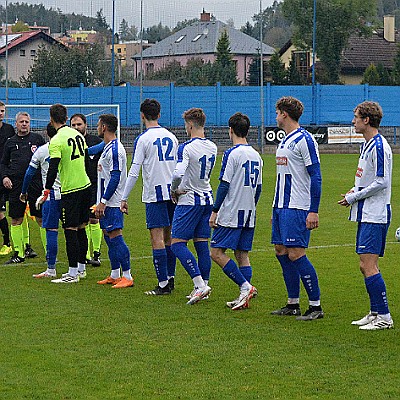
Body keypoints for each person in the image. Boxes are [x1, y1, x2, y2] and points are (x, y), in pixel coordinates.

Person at [338, 101, 394, 330]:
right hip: (367, 212)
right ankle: (374, 312)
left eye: (356, 117)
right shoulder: (367, 145)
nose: (353, 121)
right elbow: (368, 178)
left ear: (366, 120)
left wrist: (354, 196)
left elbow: (382, 182)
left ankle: (385, 317)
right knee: (365, 265)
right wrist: (355, 189)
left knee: (369, 265)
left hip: (376, 213)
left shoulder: (380, 146)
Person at [270, 96, 323, 321]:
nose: (275, 116)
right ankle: (293, 304)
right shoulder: (285, 140)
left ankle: (315, 306)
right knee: (281, 251)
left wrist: (313, 210)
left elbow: (316, 176)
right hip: (281, 207)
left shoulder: (305, 139)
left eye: (277, 112)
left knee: (296, 253)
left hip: (297, 206)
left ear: (284, 113)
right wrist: (275, 208)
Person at [121, 98, 178, 295]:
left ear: (142, 115)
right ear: (159, 115)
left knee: (157, 238)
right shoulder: (172, 136)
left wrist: (124, 197)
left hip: (155, 194)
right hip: (172, 194)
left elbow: (134, 170)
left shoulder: (143, 139)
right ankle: (170, 278)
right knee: (169, 237)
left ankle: (162, 284)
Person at [209, 112, 261, 310]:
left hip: (231, 212)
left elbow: (224, 185)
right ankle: (244, 295)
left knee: (216, 252)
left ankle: (245, 287)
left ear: (230, 130)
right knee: (242, 254)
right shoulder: (256, 155)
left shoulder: (232, 154)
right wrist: (251, 205)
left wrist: (215, 211)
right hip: (249, 213)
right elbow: (259, 188)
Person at [37, 103, 91, 283]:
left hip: (71, 189)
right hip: (85, 185)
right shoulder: (78, 135)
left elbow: (53, 169)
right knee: (82, 227)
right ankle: (82, 269)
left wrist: (46, 190)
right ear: (67, 118)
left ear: (51, 120)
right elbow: (86, 162)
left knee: (70, 230)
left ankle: (72, 273)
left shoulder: (57, 140)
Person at [170, 108, 217, 304]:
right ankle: (203, 285)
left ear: (190, 125)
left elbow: (177, 173)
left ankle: (200, 285)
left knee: (177, 244)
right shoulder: (213, 146)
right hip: (207, 198)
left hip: (189, 200)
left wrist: (174, 190)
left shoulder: (186, 147)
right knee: (201, 244)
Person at [94, 114, 133, 288]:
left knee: (116, 236)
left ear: (104, 127)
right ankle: (115, 273)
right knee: (108, 237)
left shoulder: (116, 149)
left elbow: (115, 177)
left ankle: (127, 275)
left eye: (98, 125)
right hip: (105, 201)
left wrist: (103, 200)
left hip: (113, 201)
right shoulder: (108, 147)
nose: (96, 128)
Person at [1, 111, 45, 264]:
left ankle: (48, 254)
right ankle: (18, 254)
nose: (24, 124)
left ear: (29, 123)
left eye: (26, 121)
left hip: (35, 184)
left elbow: (46, 159)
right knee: (16, 219)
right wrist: (5, 177)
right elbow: (3, 163)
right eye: (21, 122)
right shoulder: (10, 142)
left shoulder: (37, 139)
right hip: (16, 185)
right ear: (16, 124)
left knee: (41, 218)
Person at [20, 123, 61, 278]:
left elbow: (29, 174)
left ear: (46, 133)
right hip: (70, 194)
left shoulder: (41, 151)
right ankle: (78, 268)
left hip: (51, 196)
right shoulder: (68, 148)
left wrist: (23, 192)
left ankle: (51, 269)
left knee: (51, 230)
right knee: (74, 230)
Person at [70, 113, 103, 266]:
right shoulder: (70, 143)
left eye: (79, 124)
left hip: (94, 187)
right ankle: (86, 255)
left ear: (85, 125)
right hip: (76, 187)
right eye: (73, 125)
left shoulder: (95, 142)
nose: (76, 128)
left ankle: (96, 253)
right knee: (81, 222)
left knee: (93, 219)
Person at [0, 101, 15, 256]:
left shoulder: (9, 129)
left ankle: (10, 243)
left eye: (2, 111)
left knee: (17, 211)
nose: (0, 113)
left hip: (6, 174)